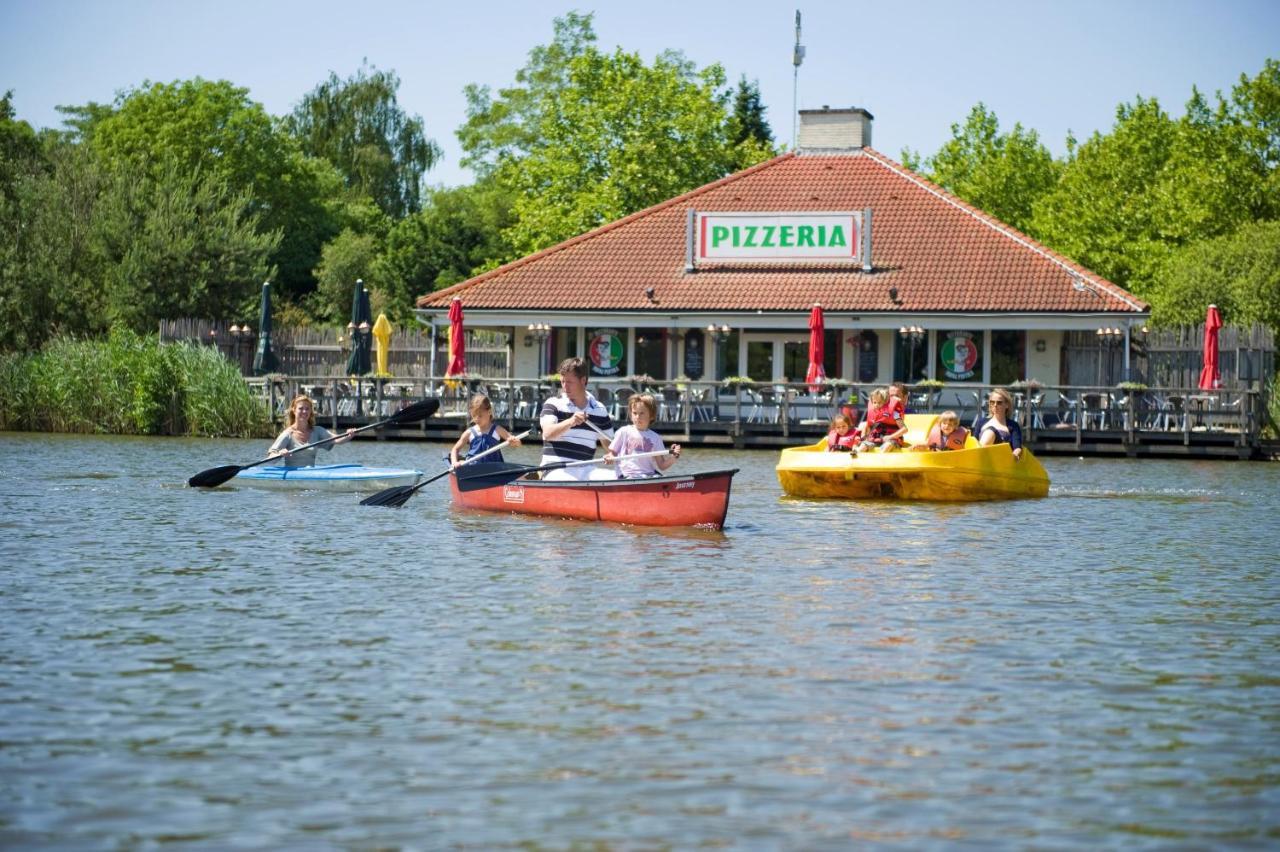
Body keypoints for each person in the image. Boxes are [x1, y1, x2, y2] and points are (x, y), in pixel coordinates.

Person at [539, 356, 614, 481]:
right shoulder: (553, 404)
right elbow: (547, 434)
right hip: (555, 468)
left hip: (587, 469)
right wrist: (571, 422)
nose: (565, 387)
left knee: (615, 477)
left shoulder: (599, 409)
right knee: (571, 481)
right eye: (562, 381)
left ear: (583, 380)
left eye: (569, 382)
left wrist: (612, 454)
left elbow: (610, 445)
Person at [603, 393, 680, 478]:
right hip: (627, 475)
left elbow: (662, 465)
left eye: (642, 413)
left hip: (648, 475)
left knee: (658, 477)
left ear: (651, 416)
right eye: (634, 413)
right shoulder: (623, 432)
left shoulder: (655, 438)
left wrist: (673, 457)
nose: (637, 417)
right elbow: (612, 453)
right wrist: (609, 457)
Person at [268, 394, 355, 468]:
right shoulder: (288, 434)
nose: (304, 411)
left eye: (307, 409)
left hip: (310, 474)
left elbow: (336, 439)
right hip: (293, 477)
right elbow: (270, 459)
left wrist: (348, 435)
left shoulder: (317, 431)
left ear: (310, 412)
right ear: (294, 410)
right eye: (301, 408)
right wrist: (280, 453)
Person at [450, 393, 521, 468]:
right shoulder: (469, 433)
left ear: (489, 412)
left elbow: (517, 444)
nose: (477, 419)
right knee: (462, 463)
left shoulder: (497, 430)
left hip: (494, 468)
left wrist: (514, 441)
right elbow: (455, 449)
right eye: (474, 416)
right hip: (473, 468)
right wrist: (454, 462)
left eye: (480, 416)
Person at [977, 387, 1024, 460]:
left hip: (1001, 461)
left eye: (999, 402)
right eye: (992, 402)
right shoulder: (981, 422)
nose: (995, 405)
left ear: (1007, 405)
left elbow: (1017, 448)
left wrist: (1014, 456)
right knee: (990, 431)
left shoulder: (1013, 425)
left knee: (991, 431)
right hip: (981, 459)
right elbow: (973, 443)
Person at [857, 388, 907, 452]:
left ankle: (881, 459)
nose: (876, 405)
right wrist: (863, 437)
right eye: (874, 402)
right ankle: (856, 456)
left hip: (892, 439)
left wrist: (891, 437)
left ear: (886, 402)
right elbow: (867, 426)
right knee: (863, 445)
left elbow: (904, 429)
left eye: (879, 402)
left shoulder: (895, 413)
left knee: (888, 445)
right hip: (876, 438)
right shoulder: (873, 412)